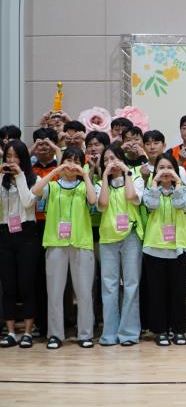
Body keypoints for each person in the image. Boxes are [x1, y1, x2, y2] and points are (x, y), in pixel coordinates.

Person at [32, 147, 97, 349]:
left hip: (81, 242)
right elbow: (35, 191)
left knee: (84, 292)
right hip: (55, 242)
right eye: (69, 160)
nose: (72, 165)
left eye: (76, 161)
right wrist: (55, 171)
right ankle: (55, 335)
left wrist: (85, 175)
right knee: (55, 291)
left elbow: (93, 200)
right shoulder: (52, 187)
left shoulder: (84, 186)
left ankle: (85, 334)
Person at [96, 144, 144, 346]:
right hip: (108, 238)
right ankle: (109, 334)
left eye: (114, 158)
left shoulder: (136, 178)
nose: (111, 163)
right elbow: (102, 204)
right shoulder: (100, 184)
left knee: (131, 285)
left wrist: (127, 173)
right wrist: (104, 176)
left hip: (131, 235)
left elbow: (132, 198)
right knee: (109, 286)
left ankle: (129, 333)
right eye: (107, 160)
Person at [142, 153, 186, 347]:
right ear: (155, 171)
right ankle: (160, 330)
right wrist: (154, 182)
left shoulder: (183, 189)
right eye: (161, 168)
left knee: (178, 293)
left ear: (176, 171)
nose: (165, 171)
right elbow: (152, 205)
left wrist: (178, 182)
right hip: (154, 247)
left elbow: (180, 204)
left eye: (169, 168)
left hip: (178, 247)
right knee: (157, 293)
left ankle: (178, 330)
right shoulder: (149, 190)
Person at [0, 141, 41, 348]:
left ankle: (27, 332)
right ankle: (10, 332)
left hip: (27, 234)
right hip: (4, 233)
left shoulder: (34, 179)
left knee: (26, 284)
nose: (11, 160)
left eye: (16, 156)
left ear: (23, 158)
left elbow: (27, 202)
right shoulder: (1, 179)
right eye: (8, 156)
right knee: (8, 285)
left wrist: (20, 176)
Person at [29, 127, 61, 338]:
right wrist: (32, 149)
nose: (43, 146)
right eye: (39, 142)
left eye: (47, 142)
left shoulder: (60, 166)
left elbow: (65, 169)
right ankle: (40, 323)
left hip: (55, 224)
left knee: (56, 277)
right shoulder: (28, 168)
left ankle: (59, 322)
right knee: (37, 275)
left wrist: (55, 148)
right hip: (33, 226)